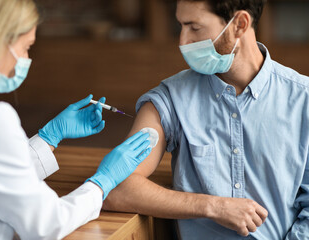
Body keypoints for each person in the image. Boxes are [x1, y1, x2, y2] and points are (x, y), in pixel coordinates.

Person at [103, 0, 309, 239]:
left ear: (240, 25)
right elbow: (114, 187)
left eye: (195, 27)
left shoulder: (303, 100)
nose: (182, 41)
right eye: (180, 25)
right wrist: (213, 206)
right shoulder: (170, 100)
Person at [0, 0, 152, 239]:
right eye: (26, 47)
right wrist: (102, 182)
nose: (25, 59)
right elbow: (47, 224)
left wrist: (49, 137)